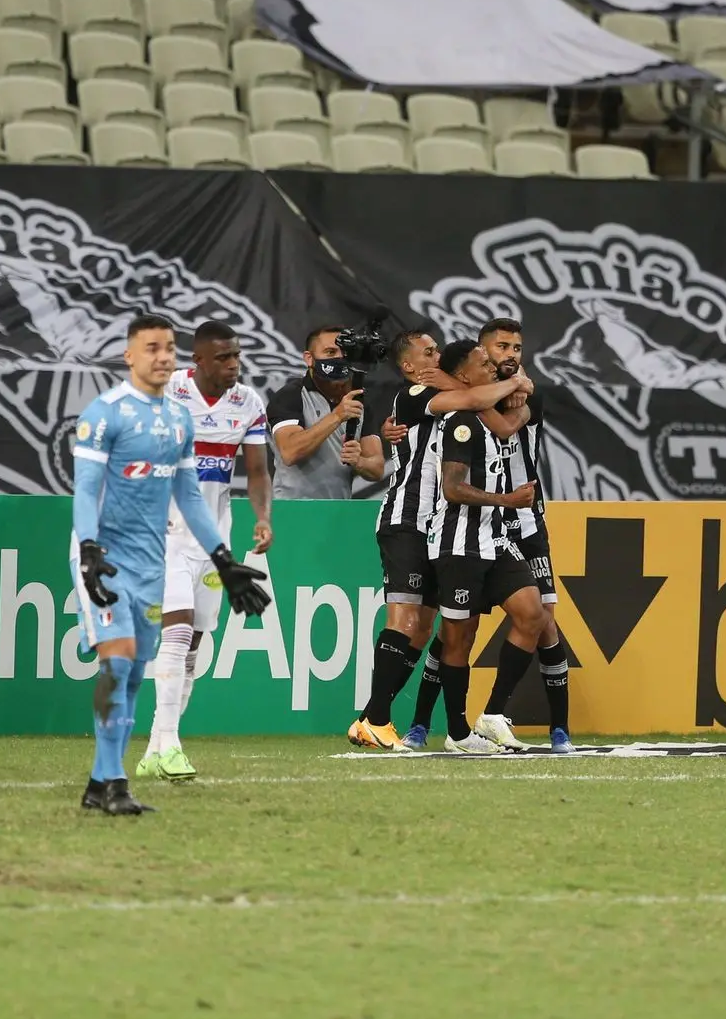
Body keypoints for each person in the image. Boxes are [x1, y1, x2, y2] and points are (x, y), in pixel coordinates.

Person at [70, 314, 271, 815]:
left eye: (168, 348)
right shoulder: (104, 413)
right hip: (115, 552)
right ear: (130, 356)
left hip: (181, 546)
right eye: (151, 348)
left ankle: (112, 776)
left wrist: (224, 558)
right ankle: (129, 770)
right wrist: (89, 548)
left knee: (144, 666)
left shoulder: (179, 420)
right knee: (121, 662)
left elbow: (192, 494)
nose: (162, 357)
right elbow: (86, 488)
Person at [348, 328, 530, 752]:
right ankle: (375, 719)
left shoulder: (437, 400)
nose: (435, 357)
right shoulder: (415, 394)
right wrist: (518, 383)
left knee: (423, 626)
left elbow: (491, 415)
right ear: (409, 366)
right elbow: (472, 399)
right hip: (406, 519)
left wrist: (512, 395)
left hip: (432, 528)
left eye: (438, 351)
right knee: (406, 621)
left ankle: (373, 719)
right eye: (428, 352)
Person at [137, 321, 273, 784]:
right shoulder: (165, 390)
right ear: (198, 361)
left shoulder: (249, 403)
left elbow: (256, 471)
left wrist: (263, 516)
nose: (233, 364)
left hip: (214, 542)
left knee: (194, 642)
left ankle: (157, 744)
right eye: (223, 358)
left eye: (236, 355)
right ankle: (172, 744)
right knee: (174, 633)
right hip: (164, 535)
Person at [424, 340, 546, 754]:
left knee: (532, 613)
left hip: (495, 539)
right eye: (482, 363)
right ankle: (457, 733)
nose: (492, 367)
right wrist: (506, 501)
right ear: (463, 377)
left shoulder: (490, 417)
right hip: (459, 543)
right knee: (459, 639)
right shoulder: (460, 419)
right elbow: (453, 488)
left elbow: (514, 412)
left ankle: (493, 714)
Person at [473, 317, 575, 754]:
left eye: (516, 347)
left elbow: (510, 419)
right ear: (483, 353)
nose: (511, 354)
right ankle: (423, 723)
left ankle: (558, 728)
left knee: (543, 622)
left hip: (526, 522)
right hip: (476, 521)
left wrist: (520, 385)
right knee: (454, 625)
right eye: (501, 347)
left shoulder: (528, 393)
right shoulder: (465, 396)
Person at [267, 325, 387, 500]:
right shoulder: (290, 396)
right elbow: (290, 452)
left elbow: (377, 469)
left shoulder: (359, 402)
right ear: (309, 358)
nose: (339, 358)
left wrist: (359, 461)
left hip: (337, 514)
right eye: (330, 352)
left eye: (344, 353)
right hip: (292, 511)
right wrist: (337, 416)